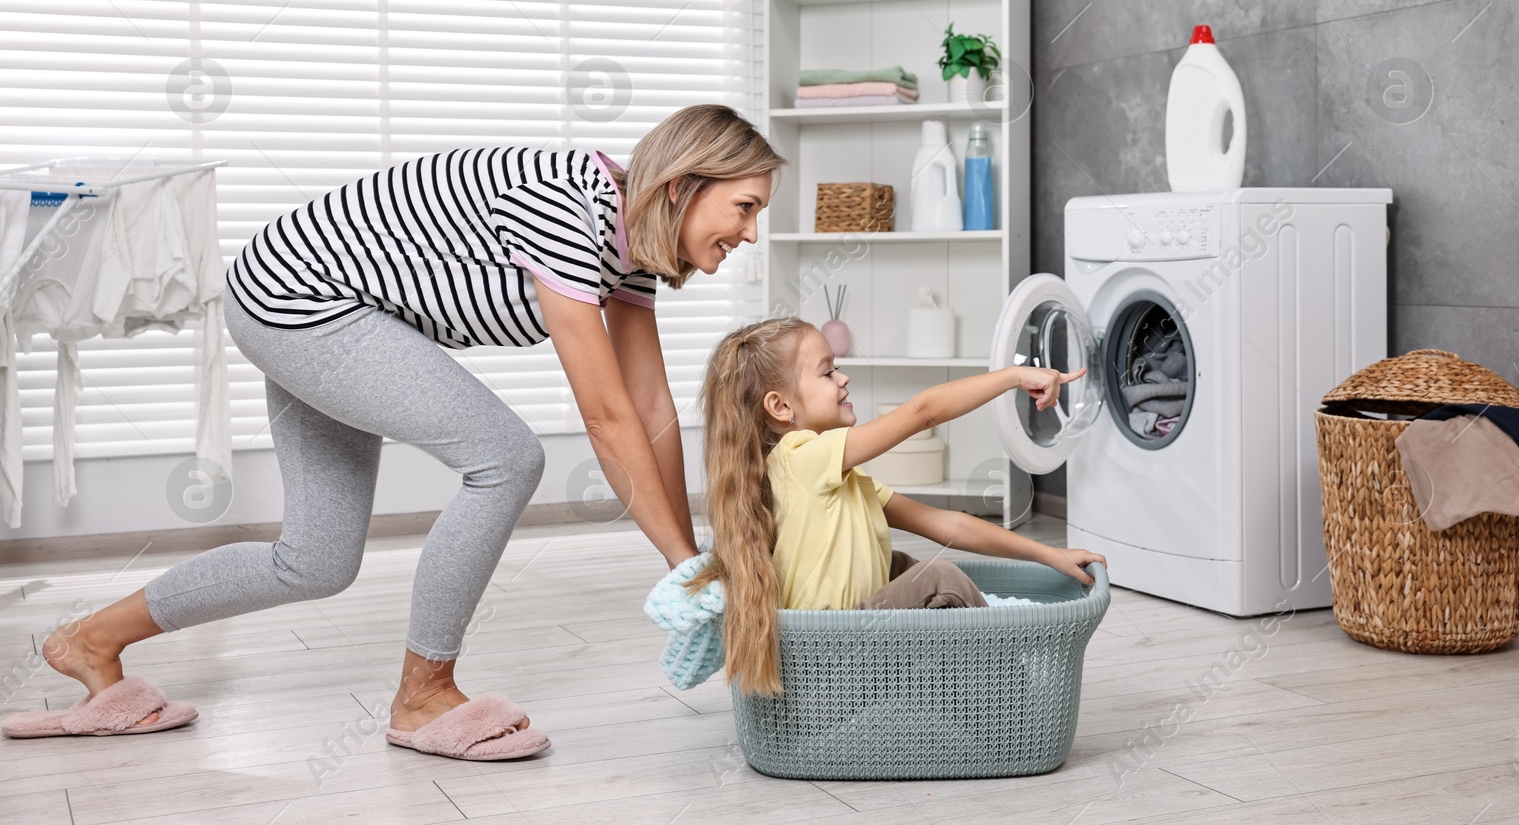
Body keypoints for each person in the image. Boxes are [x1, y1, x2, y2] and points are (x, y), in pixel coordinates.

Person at [2, 105, 784, 759]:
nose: (751, 231)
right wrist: (687, 567)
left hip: (317, 298)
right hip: (301, 297)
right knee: (507, 457)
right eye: (744, 207)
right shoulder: (570, 207)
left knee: (313, 559)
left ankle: (88, 641)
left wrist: (698, 560)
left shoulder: (629, 253)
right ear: (683, 186)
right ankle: (424, 694)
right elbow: (607, 416)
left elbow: (648, 413)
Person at [692, 317, 1106, 695]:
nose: (843, 378)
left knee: (901, 564)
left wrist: (1051, 555)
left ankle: (950, 688)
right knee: (938, 577)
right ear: (780, 407)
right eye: (828, 371)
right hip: (829, 657)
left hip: (843, 648)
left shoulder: (835, 481)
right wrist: (1015, 376)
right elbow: (923, 412)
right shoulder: (799, 456)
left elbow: (950, 527)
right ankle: (1009, 707)